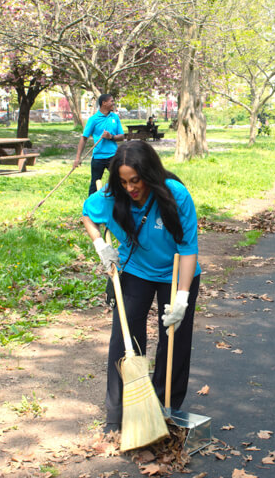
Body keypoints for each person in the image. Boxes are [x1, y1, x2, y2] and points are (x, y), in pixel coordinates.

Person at [82, 140, 201, 431]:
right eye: (123, 182)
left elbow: (188, 250)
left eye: (135, 180)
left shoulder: (175, 195)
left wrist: (182, 299)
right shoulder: (112, 195)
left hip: (176, 272)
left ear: (148, 174)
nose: (130, 188)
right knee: (124, 338)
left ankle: (164, 411)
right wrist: (100, 245)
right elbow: (87, 214)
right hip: (136, 270)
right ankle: (118, 416)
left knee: (174, 340)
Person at [74, 94, 125, 195]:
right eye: (111, 101)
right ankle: (90, 208)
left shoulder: (115, 117)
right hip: (98, 157)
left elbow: (122, 136)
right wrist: (77, 158)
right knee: (94, 184)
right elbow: (84, 138)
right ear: (104, 103)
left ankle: (121, 205)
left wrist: (111, 137)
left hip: (113, 156)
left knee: (120, 181)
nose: (113, 103)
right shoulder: (93, 119)